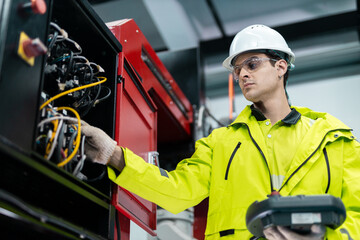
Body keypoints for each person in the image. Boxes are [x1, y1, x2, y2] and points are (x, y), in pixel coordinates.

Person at [81, 24, 360, 239]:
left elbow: (356, 214)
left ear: (281, 67)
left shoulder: (333, 139)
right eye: (237, 70)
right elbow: (176, 192)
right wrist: (113, 155)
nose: (242, 75)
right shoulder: (220, 143)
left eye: (252, 64)